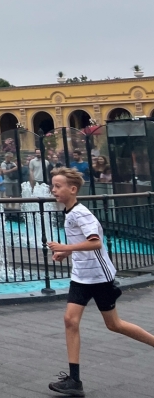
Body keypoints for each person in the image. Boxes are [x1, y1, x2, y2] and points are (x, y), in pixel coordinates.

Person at [46, 167, 154, 396]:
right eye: (53, 186)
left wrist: (66, 247)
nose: (53, 190)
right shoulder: (70, 212)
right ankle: (74, 381)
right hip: (81, 276)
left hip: (99, 277)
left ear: (72, 189)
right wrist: (66, 254)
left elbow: (95, 243)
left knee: (114, 324)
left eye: (58, 186)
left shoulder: (81, 213)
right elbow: (84, 244)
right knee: (70, 320)